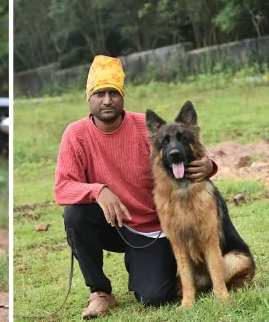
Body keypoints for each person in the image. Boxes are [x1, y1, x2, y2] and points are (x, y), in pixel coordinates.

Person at [54, 55, 218, 319]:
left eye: (113, 93)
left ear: (122, 96)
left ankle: (148, 265)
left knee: (155, 297)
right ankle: (100, 292)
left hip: (151, 229)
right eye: (99, 93)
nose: (107, 100)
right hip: (111, 224)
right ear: (89, 98)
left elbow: (183, 151)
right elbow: (62, 189)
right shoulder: (76, 134)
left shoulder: (147, 128)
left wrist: (210, 167)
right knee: (75, 215)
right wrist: (98, 191)